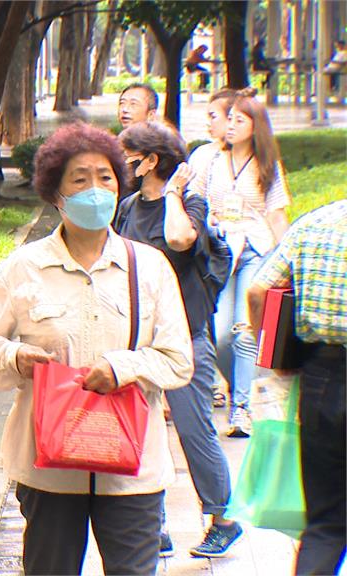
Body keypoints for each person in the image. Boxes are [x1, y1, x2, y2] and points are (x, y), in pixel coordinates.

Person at [0, 122, 193, 575]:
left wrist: (122, 366)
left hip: (133, 469)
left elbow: (179, 359)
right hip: (48, 470)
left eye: (105, 178)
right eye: (80, 179)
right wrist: (15, 358)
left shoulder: (148, 267)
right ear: (56, 193)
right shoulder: (24, 268)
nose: (95, 190)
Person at [115, 122, 241, 559]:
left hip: (184, 337)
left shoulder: (189, 202)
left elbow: (178, 239)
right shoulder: (128, 206)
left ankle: (222, 517)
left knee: (193, 429)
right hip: (137, 341)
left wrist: (171, 192)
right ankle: (157, 527)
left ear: (150, 160)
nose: (121, 161)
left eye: (128, 153)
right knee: (142, 432)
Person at [246, 200, 346, 576]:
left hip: (321, 377)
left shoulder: (316, 222)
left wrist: (277, 362)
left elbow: (258, 291)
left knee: (325, 521)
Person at [190, 90, 290, 437]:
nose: (230, 125)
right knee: (218, 334)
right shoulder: (212, 160)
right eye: (228, 119)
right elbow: (197, 201)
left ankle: (241, 409)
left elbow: (277, 216)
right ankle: (235, 386)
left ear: (255, 126)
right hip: (220, 253)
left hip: (255, 252)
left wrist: (287, 260)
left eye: (238, 120)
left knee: (242, 330)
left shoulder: (267, 166)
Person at [186, 88, 237, 408]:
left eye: (214, 116)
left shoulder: (262, 159)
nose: (211, 123)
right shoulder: (205, 156)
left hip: (250, 248)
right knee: (216, 327)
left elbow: (273, 211)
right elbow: (194, 199)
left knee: (235, 330)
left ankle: (239, 395)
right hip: (214, 249)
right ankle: (221, 381)